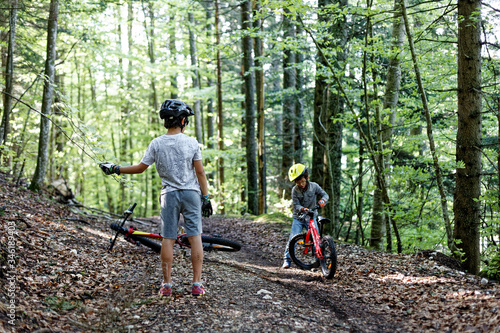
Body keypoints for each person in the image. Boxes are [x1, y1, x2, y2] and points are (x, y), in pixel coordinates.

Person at [99, 99, 213, 297]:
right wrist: (206, 197)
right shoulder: (192, 142)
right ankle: (196, 284)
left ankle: (167, 285)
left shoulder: (156, 143)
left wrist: (116, 168)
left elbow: (140, 168)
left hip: (169, 195)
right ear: (183, 120)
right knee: (195, 238)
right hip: (191, 194)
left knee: (168, 239)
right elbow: (200, 173)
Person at [282, 163, 329, 269]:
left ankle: (318, 261)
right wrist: (302, 209)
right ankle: (287, 259)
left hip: (311, 217)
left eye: (302, 181)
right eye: (298, 183)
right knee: (293, 237)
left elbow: (325, 195)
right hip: (299, 217)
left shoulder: (314, 186)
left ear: (307, 178)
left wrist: (322, 200)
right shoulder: (295, 190)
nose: (301, 184)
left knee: (316, 239)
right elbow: (296, 204)